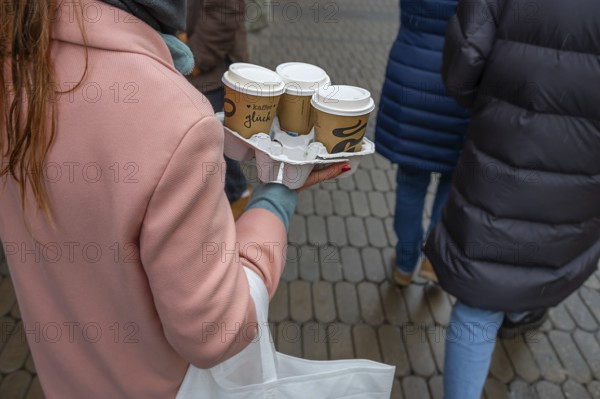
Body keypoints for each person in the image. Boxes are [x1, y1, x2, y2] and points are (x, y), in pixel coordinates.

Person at [0, 1, 347, 397]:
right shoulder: (175, 116)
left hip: (62, 379)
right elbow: (215, 333)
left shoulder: (17, 53)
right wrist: (278, 194)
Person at [423, 0, 600, 398]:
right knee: (541, 263)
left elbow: (461, 68)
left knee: (480, 297)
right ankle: (521, 310)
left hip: (501, 155)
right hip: (585, 171)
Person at [374, 0, 470, 287]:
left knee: (410, 181)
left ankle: (404, 265)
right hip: (463, 82)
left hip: (411, 75)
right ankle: (434, 262)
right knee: (452, 180)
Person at [185, 0, 250, 210]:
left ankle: (237, 199)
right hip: (197, 66)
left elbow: (225, 12)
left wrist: (194, 59)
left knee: (215, 145)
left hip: (209, 71)